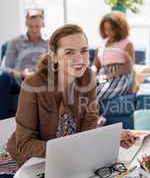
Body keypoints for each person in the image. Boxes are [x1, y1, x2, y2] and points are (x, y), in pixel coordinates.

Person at [6, 24, 137, 168]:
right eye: (69, 52)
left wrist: (111, 138)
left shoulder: (89, 78)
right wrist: (70, 150)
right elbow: (25, 144)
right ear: (54, 56)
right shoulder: (32, 85)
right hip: (33, 159)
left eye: (84, 51)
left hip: (72, 157)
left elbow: (89, 127)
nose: (80, 59)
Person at [0, 8, 48, 119]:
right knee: (2, 78)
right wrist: (21, 73)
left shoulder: (48, 42)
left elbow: (52, 64)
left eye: (37, 26)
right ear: (26, 24)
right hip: (19, 79)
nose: (34, 30)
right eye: (31, 26)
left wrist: (39, 73)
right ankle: (2, 121)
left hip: (40, 78)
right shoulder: (15, 42)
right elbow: (6, 67)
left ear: (42, 24)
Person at [91, 11, 135, 100]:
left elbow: (128, 66)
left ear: (119, 28)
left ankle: (91, 113)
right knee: (82, 92)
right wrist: (91, 73)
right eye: (105, 29)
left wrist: (110, 75)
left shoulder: (126, 43)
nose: (108, 32)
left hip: (120, 76)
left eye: (111, 29)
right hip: (102, 75)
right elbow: (96, 65)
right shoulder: (101, 44)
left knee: (98, 93)